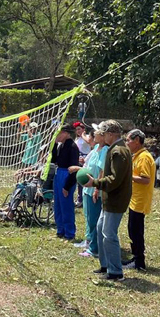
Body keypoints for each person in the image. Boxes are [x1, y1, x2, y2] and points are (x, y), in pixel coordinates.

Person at [84, 120, 132, 281]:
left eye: (103, 134)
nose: (101, 136)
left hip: (115, 200)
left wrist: (95, 183)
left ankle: (116, 272)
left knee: (109, 235)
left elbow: (114, 179)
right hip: (109, 199)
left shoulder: (118, 151)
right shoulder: (114, 149)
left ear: (111, 135)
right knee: (100, 230)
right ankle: (105, 265)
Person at [68, 124, 109, 257]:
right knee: (88, 216)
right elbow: (87, 163)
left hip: (94, 189)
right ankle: (89, 241)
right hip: (87, 188)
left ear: (102, 136)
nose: (93, 134)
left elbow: (102, 171)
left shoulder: (105, 150)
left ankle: (94, 248)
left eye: (95, 133)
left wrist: (97, 188)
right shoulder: (96, 147)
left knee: (94, 219)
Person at [123, 129, 155, 270]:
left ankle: (139, 262)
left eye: (128, 140)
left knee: (136, 231)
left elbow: (145, 179)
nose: (127, 143)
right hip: (134, 199)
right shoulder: (137, 156)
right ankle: (135, 257)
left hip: (140, 201)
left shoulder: (144, 158)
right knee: (132, 230)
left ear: (137, 141)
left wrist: (127, 176)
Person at [50, 123, 79, 240]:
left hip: (66, 175)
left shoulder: (72, 147)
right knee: (57, 204)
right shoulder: (61, 146)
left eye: (59, 133)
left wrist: (67, 186)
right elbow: (54, 160)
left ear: (66, 133)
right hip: (58, 174)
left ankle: (69, 232)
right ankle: (60, 229)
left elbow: (74, 168)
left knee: (66, 205)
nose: (57, 135)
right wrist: (53, 145)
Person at [73, 122, 92, 207]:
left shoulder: (87, 137)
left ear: (83, 129)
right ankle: (80, 198)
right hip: (78, 159)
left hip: (85, 160)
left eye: (79, 129)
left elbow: (89, 143)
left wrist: (83, 135)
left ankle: (83, 199)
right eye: (76, 130)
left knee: (84, 179)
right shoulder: (77, 139)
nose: (78, 131)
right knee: (78, 180)